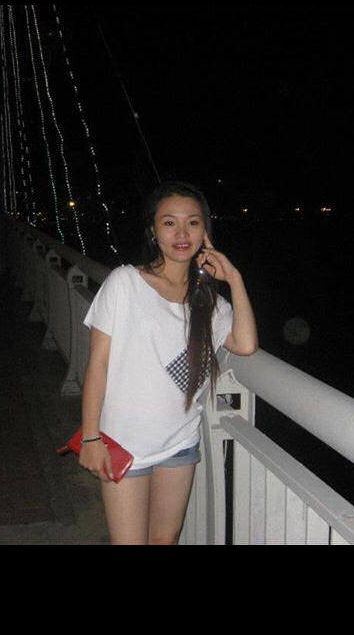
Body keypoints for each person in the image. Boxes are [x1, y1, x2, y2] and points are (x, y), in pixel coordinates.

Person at [79, 181, 259, 545]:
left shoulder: (208, 302)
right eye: (169, 223)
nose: (181, 233)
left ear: (205, 231)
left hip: (179, 443)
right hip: (123, 443)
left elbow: (245, 344)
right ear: (153, 230)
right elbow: (97, 365)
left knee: (166, 539)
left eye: (192, 223)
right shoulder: (125, 283)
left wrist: (234, 279)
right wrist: (90, 437)